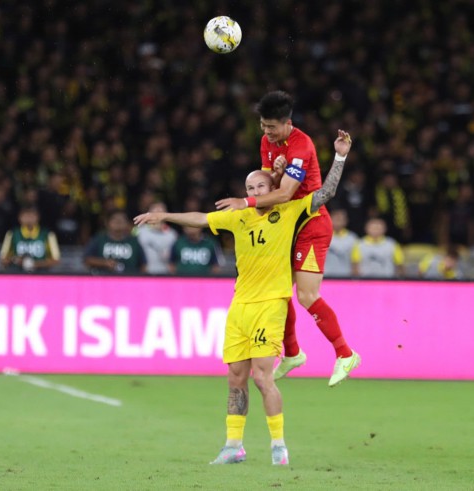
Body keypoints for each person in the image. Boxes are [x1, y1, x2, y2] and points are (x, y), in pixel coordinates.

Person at [135, 130, 352, 466]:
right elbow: (201, 219)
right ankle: (233, 446)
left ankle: (278, 445)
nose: (254, 192)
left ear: (272, 187)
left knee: (262, 377)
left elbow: (326, 192)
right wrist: (164, 216)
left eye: (260, 186)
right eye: (250, 188)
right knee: (235, 377)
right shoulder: (239, 216)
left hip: (270, 305)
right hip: (240, 307)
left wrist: (339, 156)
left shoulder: (290, 209)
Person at [215, 91, 359, 386]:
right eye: (263, 125)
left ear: (287, 123)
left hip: (310, 222)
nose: (266, 132)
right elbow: (268, 184)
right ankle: (292, 353)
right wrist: (276, 173)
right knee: (277, 291)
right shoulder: (266, 142)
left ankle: (345, 354)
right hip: (285, 224)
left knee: (306, 296)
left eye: (272, 127)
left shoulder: (301, 145)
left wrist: (246, 202)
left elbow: (284, 194)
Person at [83, 209, 147, 274]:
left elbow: (143, 264)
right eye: (115, 219)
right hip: (103, 278)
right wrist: (104, 263)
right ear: (107, 222)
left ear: (127, 223)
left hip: (129, 279)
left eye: (122, 220)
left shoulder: (134, 241)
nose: (118, 222)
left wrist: (140, 277)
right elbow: (87, 259)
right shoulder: (99, 239)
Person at [0, 205, 60, 272]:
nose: (29, 219)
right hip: (18, 273)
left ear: (38, 217)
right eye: (26, 215)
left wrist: (35, 264)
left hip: (41, 274)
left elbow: (56, 260)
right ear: (20, 217)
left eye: (32, 216)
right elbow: (3, 259)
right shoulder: (12, 234)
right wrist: (15, 260)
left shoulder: (48, 234)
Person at [134, 201, 178, 274]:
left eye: (161, 210)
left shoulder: (173, 234)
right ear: (148, 213)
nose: (158, 213)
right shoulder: (138, 231)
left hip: (166, 275)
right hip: (145, 275)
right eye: (155, 210)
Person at [324, 208, 360, 277]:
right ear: (330, 219)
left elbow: (355, 260)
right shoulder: (323, 236)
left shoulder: (352, 238)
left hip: (345, 277)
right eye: (336, 219)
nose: (338, 222)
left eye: (340, 219)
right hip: (326, 277)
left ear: (345, 221)